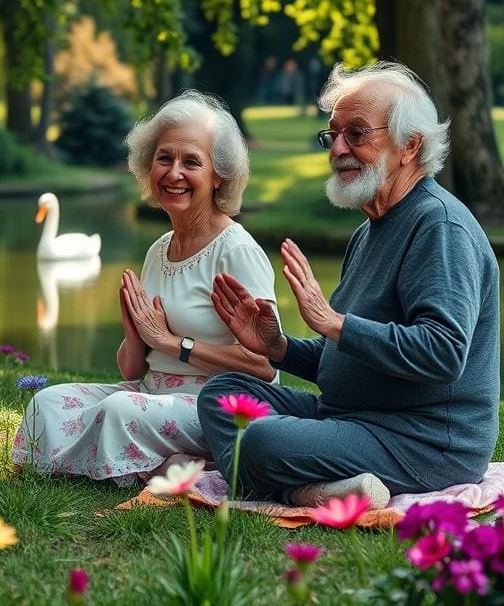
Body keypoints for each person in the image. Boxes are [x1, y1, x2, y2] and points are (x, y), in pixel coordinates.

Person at [198, 61, 500, 509]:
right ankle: (313, 489)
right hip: (352, 418)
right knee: (222, 397)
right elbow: (350, 358)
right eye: (332, 134)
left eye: (356, 134)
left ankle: (290, 484)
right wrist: (278, 346)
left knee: (260, 440)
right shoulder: (370, 228)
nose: (338, 148)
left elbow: (443, 353)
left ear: (409, 146)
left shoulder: (439, 227)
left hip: (424, 442)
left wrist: (334, 322)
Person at [11, 92, 279, 485]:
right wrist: (135, 331)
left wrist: (173, 343)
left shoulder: (236, 251)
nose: (174, 173)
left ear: (218, 174)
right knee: (46, 404)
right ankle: (170, 466)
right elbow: (133, 368)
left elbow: (267, 367)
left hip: (218, 405)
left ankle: (181, 466)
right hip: (149, 392)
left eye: (191, 162)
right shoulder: (159, 250)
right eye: (164, 158)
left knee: (121, 410)